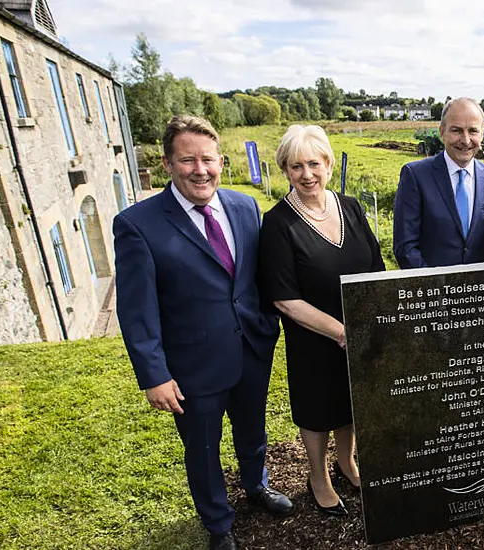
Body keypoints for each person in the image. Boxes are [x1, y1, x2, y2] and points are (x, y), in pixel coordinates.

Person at [114, 116, 293, 550]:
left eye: (208, 159)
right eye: (188, 160)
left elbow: (255, 279)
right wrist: (154, 375)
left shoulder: (245, 206)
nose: (200, 169)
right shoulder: (138, 224)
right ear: (168, 164)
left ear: (221, 161)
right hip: (192, 365)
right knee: (203, 449)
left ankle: (257, 485)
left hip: (251, 348)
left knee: (253, 430)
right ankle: (218, 524)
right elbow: (137, 309)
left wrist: (268, 326)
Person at [258, 125, 385, 518]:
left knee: (350, 403)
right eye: (296, 166)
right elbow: (284, 297)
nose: (307, 174)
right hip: (313, 338)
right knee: (318, 410)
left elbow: (376, 265)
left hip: (358, 333)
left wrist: (372, 320)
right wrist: (340, 331)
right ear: (285, 171)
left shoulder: (350, 207)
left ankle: (346, 463)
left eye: (314, 163)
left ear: (328, 164)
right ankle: (318, 476)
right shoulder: (278, 223)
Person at [393, 97, 484, 268]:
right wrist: (437, 288)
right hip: (432, 290)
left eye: (473, 131)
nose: (466, 140)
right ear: (442, 132)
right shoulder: (415, 175)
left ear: (482, 134)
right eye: (457, 130)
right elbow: (406, 247)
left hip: (479, 292)